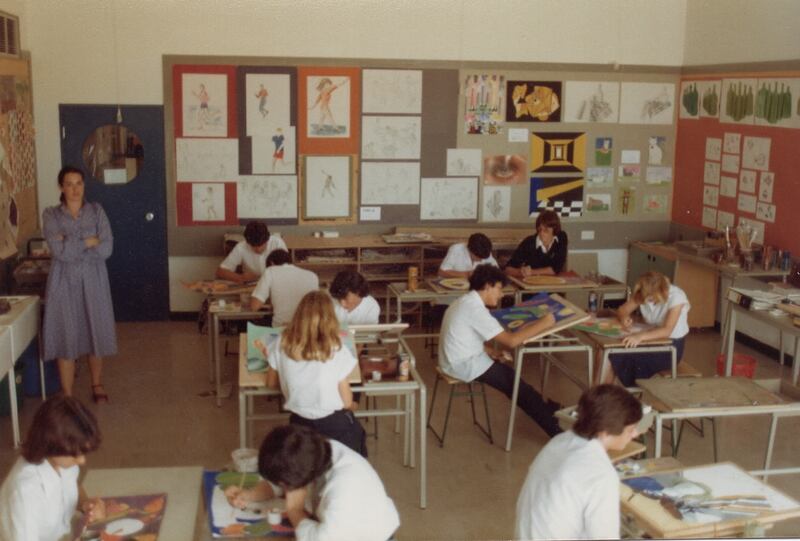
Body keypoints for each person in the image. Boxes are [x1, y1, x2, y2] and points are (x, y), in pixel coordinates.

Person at [438, 264, 562, 437]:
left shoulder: (465, 301)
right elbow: (511, 341)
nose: (501, 294)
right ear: (488, 286)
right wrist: (545, 322)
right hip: (461, 364)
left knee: (513, 380)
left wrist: (492, 352)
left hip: (457, 358)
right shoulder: (475, 310)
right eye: (499, 289)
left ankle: (546, 406)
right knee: (515, 384)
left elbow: (465, 338)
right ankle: (555, 430)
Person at [225, 425, 399, 541]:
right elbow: (280, 479)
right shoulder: (312, 451)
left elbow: (318, 538)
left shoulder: (344, 489)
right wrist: (248, 495)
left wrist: (295, 510)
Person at [515, 384, 642, 539]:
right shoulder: (601, 475)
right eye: (630, 429)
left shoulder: (560, 441)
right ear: (605, 431)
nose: (635, 434)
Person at [42, 165, 116, 401]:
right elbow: (59, 252)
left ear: (84, 186)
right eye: (69, 184)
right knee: (66, 333)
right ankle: (68, 395)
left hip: (94, 279)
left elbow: (106, 248)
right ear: (61, 187)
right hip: (63, 281)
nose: (75, 189)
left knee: (95, 328)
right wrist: (87, 241)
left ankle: (97, 384)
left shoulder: (97, 211)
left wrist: (69, 240)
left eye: (79, 183)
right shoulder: (51, 215)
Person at [264, 291, 366, 456]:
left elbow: (270, 383)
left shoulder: (281, 341)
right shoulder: (337, 346)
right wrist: (353, 406)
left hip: (298, 422)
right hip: (333, 424)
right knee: (356, 430)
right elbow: (346, 402)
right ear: (331, 318)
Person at [0, 395, 105, 540]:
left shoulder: (61, 461)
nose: (81, 460)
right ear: (50, 443)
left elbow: (72, 484)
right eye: (75, 454)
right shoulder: (25, 491)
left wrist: (85, 504)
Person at [604, 271, 691, 386]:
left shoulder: (677, 297)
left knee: (613, 355)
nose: (649, 300)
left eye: (652, 298)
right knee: (604, 353)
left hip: (671, 347)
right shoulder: (645, 291)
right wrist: (624, 317)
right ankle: (597, 397)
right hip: (652, 340)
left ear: (661, 291)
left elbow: (667, 330)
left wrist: (639, 337)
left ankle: (602, 396)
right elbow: (622, 310)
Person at [250, 249, 319, 327]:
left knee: (254, 323)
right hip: (307, 328)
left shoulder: (270, 271)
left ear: (271, 263)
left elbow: (254, 306)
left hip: (282, 328)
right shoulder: (312, 275)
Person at [216, 221, 287, 285]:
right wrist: (240, 277)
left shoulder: (277, 243)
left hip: (274, 286)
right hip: (251, 288)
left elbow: (287, 270)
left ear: (267, 239)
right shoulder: (241, 247)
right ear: (248, 242)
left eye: (261, 245)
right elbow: (220, 271)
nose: (258, 250)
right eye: (254, 246)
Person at [505, 210, 568, 278]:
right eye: (540, 229)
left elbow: (556, 268)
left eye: (546, 230)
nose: (541, 233)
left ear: (554, 230)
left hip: (554, 284)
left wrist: (532, 272)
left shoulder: (561, 237)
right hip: (532, 284)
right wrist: (521, 272)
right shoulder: (529, 242)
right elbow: (508, 269)